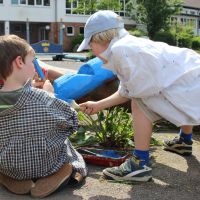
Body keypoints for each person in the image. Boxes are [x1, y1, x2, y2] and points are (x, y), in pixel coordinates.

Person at [77, 10, 200, 182]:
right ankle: (184, 141)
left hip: (194, 89)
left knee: (140, 99)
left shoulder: (121, 51)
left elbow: (134, 94)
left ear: (102, 39)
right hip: (192, 79)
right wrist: (99, 105)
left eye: (91, 45)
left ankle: (139, 163)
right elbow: (127, 89)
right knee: (167, 87)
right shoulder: (128, 45)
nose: (92, 50)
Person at [0, 34, 88, 198]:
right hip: (45, 165)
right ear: (20, 62)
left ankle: (10, 175)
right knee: (65, 141)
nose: (34, 68)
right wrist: (50, 96)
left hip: (9, 163)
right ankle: (63, 172)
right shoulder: (41, 97)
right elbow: (71, 122)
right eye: (32, 62)